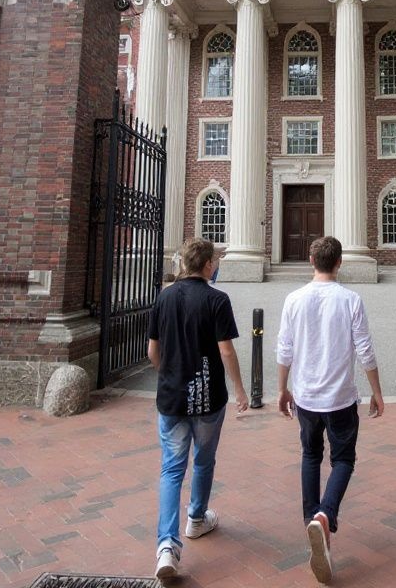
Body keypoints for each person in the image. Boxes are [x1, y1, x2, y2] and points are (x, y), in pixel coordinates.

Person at [276, 236, 384, 584]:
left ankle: (314, 520)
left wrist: (282, 389)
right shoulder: (351, 299)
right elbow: (365, 350)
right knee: (344, 460)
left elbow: (284, 349)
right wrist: (377, 392)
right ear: (339, 263)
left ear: (311, 260)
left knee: (310, 456)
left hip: (306, 398)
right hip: (340, 399)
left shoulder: (294, 299)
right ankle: (324, 516)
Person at [148, 238, 249, 580]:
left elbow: (152, 350)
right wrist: (239, 390)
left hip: (172, 398)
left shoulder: (165, 296)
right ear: (207, 266)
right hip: (208, 399)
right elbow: (227, 353)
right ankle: (196, 518)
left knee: (171, 469)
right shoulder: (217, 299)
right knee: (203, 459)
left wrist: (168, 376)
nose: (217, 265)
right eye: (216, 261)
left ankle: (166, 548)